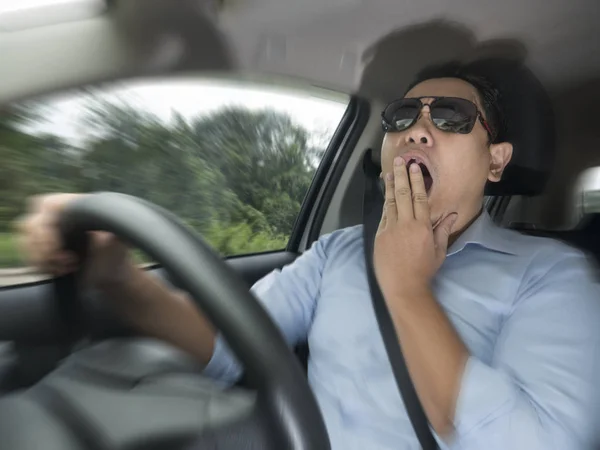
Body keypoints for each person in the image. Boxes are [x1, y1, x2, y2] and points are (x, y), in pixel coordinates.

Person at [17, 62, 600, 450]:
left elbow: (536, 440)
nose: (419, 130)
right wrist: (119, 277)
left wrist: (406, 289)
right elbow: (229, 341)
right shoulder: (339, 250)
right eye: (403, 118)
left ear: (496, 161)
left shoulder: (552, 277)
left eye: (450, 117)